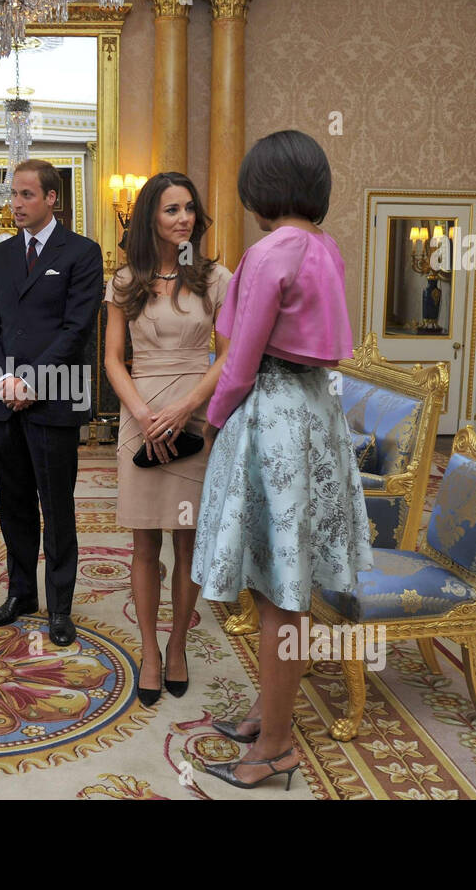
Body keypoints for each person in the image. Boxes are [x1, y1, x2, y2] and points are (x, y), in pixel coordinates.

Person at [192, 130, 372, 789]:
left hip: (272, 416)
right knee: (287, 587)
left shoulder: (269, 250)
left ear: (259, 188)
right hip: (317, 415)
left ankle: (272, 746)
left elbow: (239, 361)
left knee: (275, 593)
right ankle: (271, 722)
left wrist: (210, 423)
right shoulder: (328, 248)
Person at [103, 172, 231, 706]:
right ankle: (149, 653)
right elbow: (112, 358)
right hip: (141, 417)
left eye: (189, 210)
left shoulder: (215, 278)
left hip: (193, 418)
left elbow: (229, 355)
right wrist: (141, 412)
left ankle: (177, 646)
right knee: (144, 543)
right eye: (171, 210)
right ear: (150, 218)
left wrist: (184, 408)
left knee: (188, 541)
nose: (183, 219)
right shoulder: (125, 281)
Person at [0, 159, 104, 646]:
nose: (16, 204)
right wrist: (3, 377)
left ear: (53, 198)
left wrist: (30, 380)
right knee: (14, 505)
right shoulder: (0, 255)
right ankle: (21, 594)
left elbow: (76, 328)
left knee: (57, 506)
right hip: (5, 398)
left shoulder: (82, 253)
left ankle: (60, 607)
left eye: (27, 195)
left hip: (54, 398)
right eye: (13, 195)